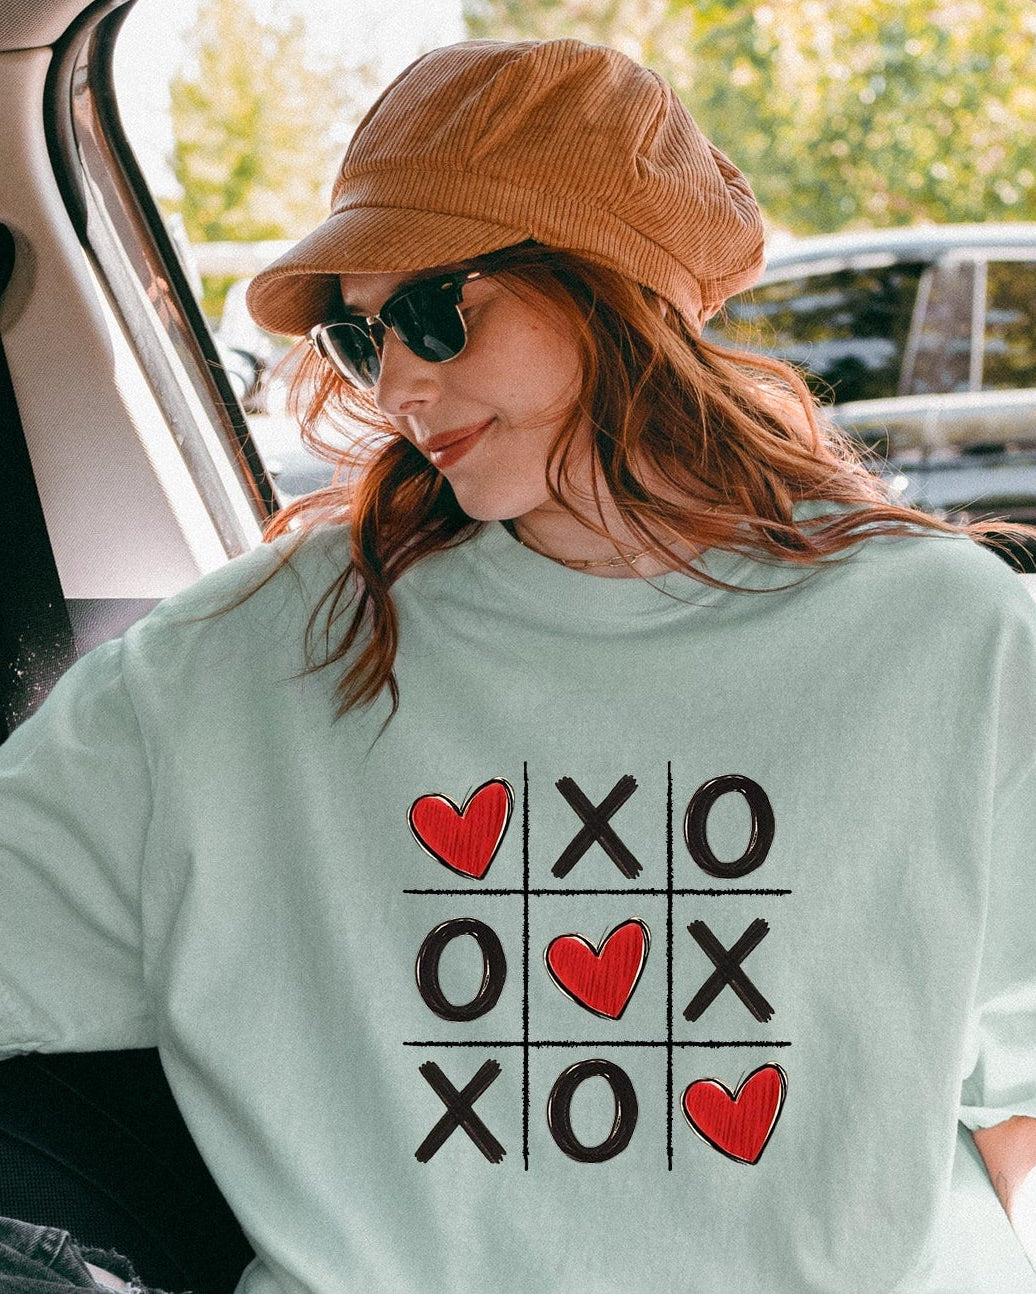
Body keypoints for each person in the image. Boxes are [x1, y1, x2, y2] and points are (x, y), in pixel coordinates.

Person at [2, 34, 1036, 1294]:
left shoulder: (944, 638)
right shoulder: (245, 658)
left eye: (438, 311)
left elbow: (1020, 1100)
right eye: (360, 339)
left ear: (612, 287)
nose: (397, 383)